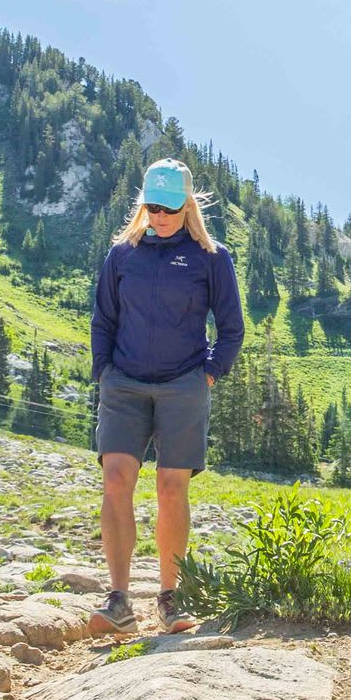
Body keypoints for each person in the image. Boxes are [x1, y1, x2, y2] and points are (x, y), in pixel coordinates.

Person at [89, 158, 244, 633]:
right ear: (142, 203)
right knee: (116, 479)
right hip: (125, 384)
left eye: (169, 208)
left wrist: (208, 376)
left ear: (188, 206)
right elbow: (103, 320)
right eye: (152, 206)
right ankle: (118, 601)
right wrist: (104, 373)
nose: (159, 216)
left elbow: (232, 328)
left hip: (183, 386)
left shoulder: (211, 257)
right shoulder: (122, 255)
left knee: (172, 487)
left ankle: (170, 599)